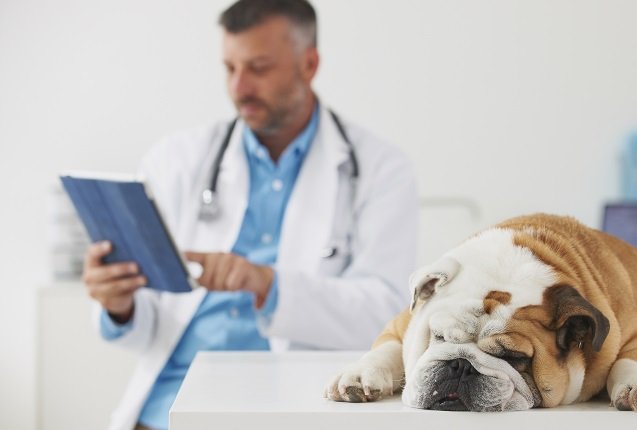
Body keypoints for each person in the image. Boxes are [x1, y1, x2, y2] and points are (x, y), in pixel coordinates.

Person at [81, 1, 418, 429]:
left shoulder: (380, 170)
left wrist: (269, 285)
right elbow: (147, 325)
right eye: (230, 68)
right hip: (168, 407)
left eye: (259, 68)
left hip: (294, 406)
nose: (240, 87)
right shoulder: (176, 160)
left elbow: (386, 316)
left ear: (309, 64)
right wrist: (119, 304)